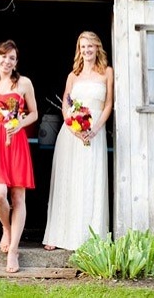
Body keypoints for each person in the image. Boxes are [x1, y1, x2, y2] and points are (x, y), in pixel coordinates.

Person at [42, 31, 113, 251]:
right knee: (68, 181)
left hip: (95, 133)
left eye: (90, 46)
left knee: (90, 180)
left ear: (97, 48)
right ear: (79, 50)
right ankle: (58, 234)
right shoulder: (73, 75)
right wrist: (73, 126)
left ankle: (89, 236)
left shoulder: (107, 73)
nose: (86, 51)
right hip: (72, 133)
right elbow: (66, 103)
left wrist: (95, 129)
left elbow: (109, 104)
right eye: (82, 47)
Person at [0, 39, 38, 273]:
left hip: (16, 142)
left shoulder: (24, 83)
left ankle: (13, 251)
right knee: (0, 195)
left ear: (16, 62)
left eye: (12, 58)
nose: (7, 61)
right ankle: (7, 228)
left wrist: (20, 123)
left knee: (18, 197)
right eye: (3, 56)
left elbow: (34, 113)